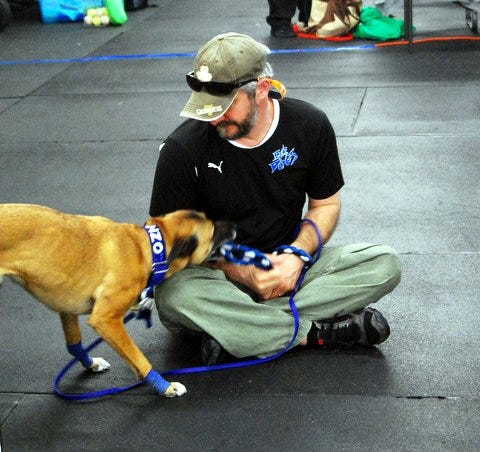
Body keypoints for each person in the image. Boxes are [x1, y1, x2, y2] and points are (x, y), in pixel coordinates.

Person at [149, 32, 402, 365]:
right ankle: (318, 332)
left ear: (262, 89)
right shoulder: (182, 150)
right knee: (174, 296)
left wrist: (296, 257)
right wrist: (242, 271)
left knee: (384, 263)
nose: (213, 118)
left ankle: (243, 331)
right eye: (206, 108)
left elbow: (325, 205)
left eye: (224, 108)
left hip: (290, 269)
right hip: (218, 277)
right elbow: (170, 242)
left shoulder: (309, 124)